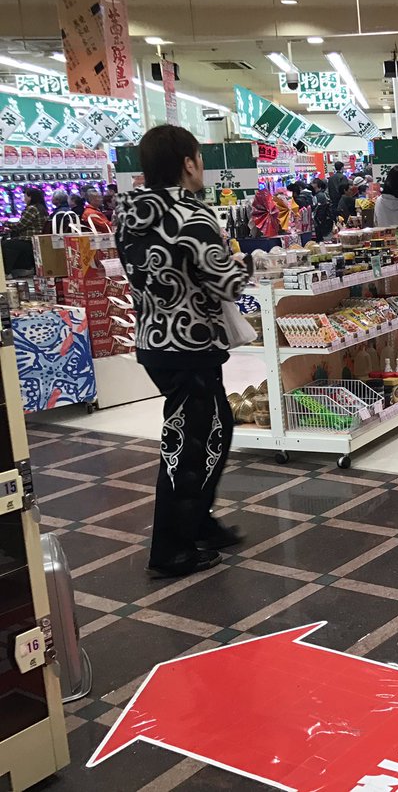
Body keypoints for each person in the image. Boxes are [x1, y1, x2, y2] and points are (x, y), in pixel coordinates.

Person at [114, 124, 252, 578]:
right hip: (190, 344)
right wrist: (244, 265)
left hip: (154, 341)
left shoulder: (128, 214)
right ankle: (171, 549)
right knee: (190, 445)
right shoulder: (192, 215)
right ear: (188, 163)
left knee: (214, 428)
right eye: (199, 158)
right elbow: (227, 282)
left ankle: (198, 522)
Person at [2, 187, 49, 274]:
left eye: (25, 196)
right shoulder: (42, 208)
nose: (23, 198)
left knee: (6, 244)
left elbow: (20, 225)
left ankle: (7, 272)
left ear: (30, 197)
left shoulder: (32, 209)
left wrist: (5, 223)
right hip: (37, 239)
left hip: (29, 240)